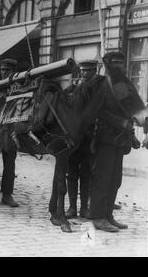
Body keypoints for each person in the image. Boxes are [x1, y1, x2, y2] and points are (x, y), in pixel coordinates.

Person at [88, 51, 140, 232]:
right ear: (108, 65)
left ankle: (108, 215)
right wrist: (121, 122)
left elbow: (134, 112)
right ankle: (97, 217)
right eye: (115, 63)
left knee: (115, 180)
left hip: (121, 140)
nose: (119, 66)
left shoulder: (126, 85)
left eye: (121, 62)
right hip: (105, 138)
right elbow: (98, 112)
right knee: (102, 179)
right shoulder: (100, 84)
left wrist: (133, 131)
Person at [65, 60, 98, 219]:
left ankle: (84, 208)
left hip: (89, 139)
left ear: (94, 72)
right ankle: (72, 207)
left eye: (88, 71)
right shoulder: (74, 88)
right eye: (83, 71)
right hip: (74, 138)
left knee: (86, 175)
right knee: (71, 174)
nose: (85, 74)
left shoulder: (98, 90)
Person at [0, 58, 20, 207]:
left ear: (13, 72)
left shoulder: (18, 87)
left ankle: (7, 194)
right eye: (2, 70)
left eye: (7, 70)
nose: (3, 72)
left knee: (9, 164)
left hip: (8, 130)